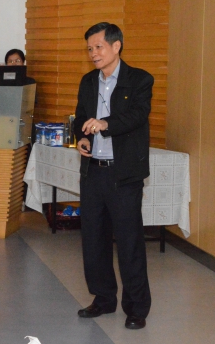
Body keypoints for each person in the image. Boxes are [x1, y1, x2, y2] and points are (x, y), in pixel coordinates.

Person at [73, 22, 153, 330]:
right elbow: (81, 117)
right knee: (93, 240)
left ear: (116, 46)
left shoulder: (140, 79)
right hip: (93, 172)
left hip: (124, 175)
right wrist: (82, 137)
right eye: (89, 49)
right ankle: (103, 298)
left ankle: (136, 308)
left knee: (129, 242)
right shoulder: (88, 81)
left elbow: (137, 116)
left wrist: (105, 124)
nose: (93, 53)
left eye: (98, 47)